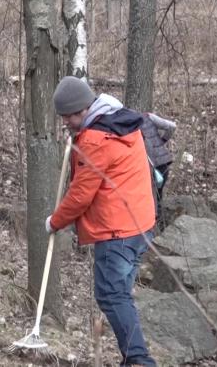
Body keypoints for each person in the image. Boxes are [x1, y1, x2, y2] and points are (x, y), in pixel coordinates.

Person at [45, 76, 157, 367]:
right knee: (119, 294)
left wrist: (55, 222)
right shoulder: (119, 121)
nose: (66, 122)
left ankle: (138, 360)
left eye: (69, 116)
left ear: (83, 109)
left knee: (111, 293)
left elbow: (81, 194)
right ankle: (133, 357)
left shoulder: (96, 138)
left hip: (118, 229)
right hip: (140, 224)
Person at [141, 111, 176, 220]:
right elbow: (172, 126)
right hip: (164, 162)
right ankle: (159, 220)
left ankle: (154, 221)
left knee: (152, 195)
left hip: (150, 165)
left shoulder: (126, 125)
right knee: (158, 194)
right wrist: (162, 140)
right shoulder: (148, 116)